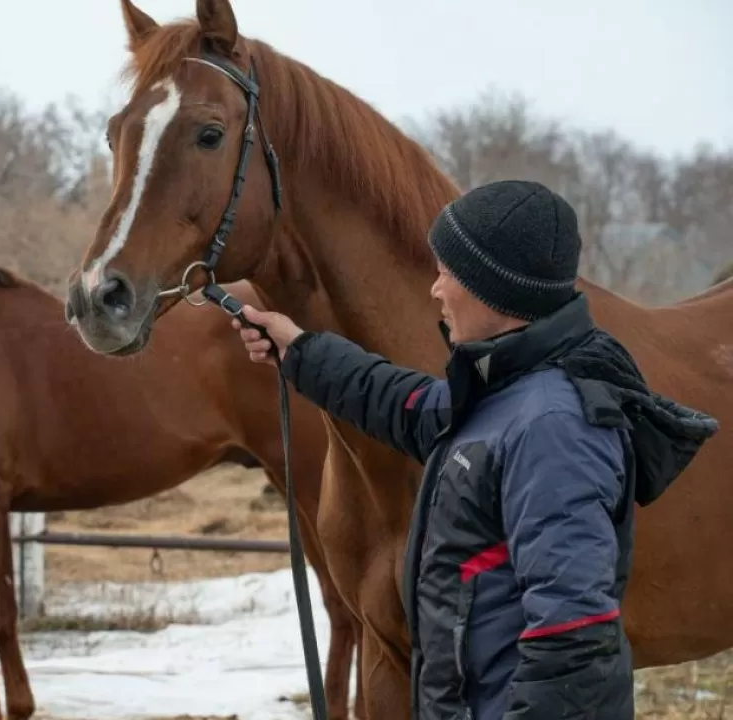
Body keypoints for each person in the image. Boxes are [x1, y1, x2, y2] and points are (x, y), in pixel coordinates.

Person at [234, 180, 719, 720]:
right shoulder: (507, 393)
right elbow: (406, 406)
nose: (435, 290)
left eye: (448, 274)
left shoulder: (554, 427)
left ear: (495, 290)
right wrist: (300, 352)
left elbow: (571, 639)